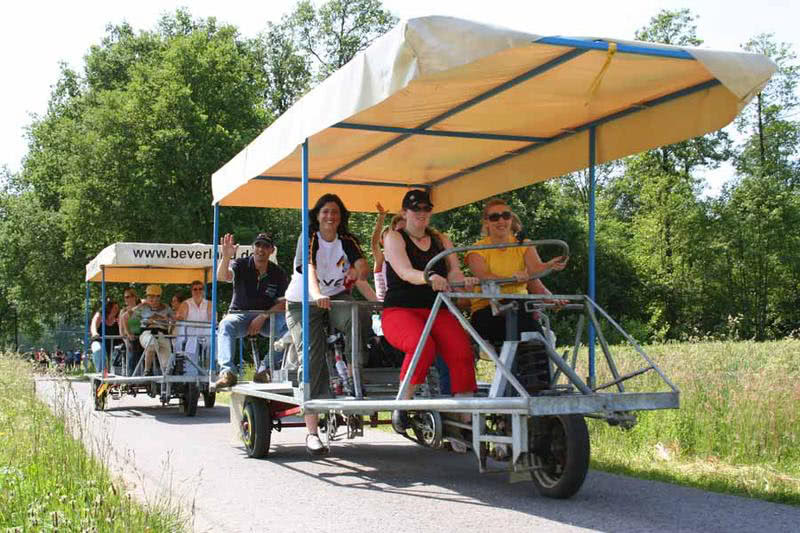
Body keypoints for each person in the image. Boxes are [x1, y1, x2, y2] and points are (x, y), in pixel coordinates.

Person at [381, 189, 479, 432]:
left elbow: (454, 269)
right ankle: (402, 405)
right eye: (416, 210)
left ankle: (464, 420)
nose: (422, 214)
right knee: (421, 345)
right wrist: (429, 277)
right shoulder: (394, 237)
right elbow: (404, 272)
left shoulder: (441, 240)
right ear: (405, 212)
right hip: (400, 310)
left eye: (426, 209)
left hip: (436, 309)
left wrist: (461, 279)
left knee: (461, 349)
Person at [284, 193, 371, 455]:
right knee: (312, 358)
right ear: (317, 215)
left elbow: (363, 264)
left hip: (333, 299)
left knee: (360, 317)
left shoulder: (347, 239)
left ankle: (354, 372)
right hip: (303, 301)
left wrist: (358, 271)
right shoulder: (309, 237)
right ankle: (312, 431)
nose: (330, 216)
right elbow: (309, 267)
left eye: (335, 212)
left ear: (341, 216)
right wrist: (317, 294)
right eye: (325, 212)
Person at [465, 198, 568, 343]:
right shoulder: (476, 250)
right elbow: (484, 276)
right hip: (489, 310)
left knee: (525, 317)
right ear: (486, 222)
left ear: (511, 219)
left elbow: (535, 271)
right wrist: (513, 278)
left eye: (506, 216)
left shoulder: (524, 244)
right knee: (528, 325)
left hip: (521, 308)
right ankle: (536, 356)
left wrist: (549, 265)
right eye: (495, 217)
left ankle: (535, 358)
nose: (501, 221)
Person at [214, 232, 289, 389]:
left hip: (267, 317)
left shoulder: (278, 273)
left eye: (266, 246)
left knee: (290, 329)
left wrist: (263, 315)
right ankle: (227, 372)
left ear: (272, 250)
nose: (261, 249)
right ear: (253, 247)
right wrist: (226, 257)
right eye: (258, 245)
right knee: (225, 325)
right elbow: (222, 276)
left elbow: (283, 303)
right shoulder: (240, 264)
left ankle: (264, 369)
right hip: (239, 315)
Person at [129, 285, 174, 376]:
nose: (153, 300)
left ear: (159, 297)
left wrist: (169, 326)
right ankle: (147, 371)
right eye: (150, 297)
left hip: (162, 334)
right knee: (151, 344)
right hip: (147, 333)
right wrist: (133, 333)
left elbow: (173, 320)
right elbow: (132, 321)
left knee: (168, 358)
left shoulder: (166, 308)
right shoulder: (141, 307)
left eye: (156, 297)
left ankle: (166, 380)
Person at [176, 280, 212, 368]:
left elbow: (212, 318)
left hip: (205, 333)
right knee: (191, 344)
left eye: (200, 289)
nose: (198, 291)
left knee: (214, 342)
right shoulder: (186, 304)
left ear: (203, 291)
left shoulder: (209, 304)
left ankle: (210, 370)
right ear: (191, 291)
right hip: (189, 333)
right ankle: (190, 373)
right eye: (195, 289)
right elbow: (180, 317)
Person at [90, 298, 120, 373]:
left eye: (117, 308)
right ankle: (100, 373)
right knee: (98, 350)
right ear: (109, 308)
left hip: (114, 343)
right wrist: (94, 333)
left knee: (117, 357)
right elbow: (93, 325)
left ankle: (114, 376)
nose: (116, 310)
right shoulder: (100, 315)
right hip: (100, 341)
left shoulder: (118, 318)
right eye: (115, 308)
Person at [119, 287, 144, 376]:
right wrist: (126, 341)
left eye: (129, 296)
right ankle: (130, 379)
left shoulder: (140, 309)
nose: (127, 299)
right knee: (131, 352)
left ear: (135, 297)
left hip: (141, 338)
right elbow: (121, 332)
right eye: (125, 297)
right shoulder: (123, 311)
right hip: (130, 340)